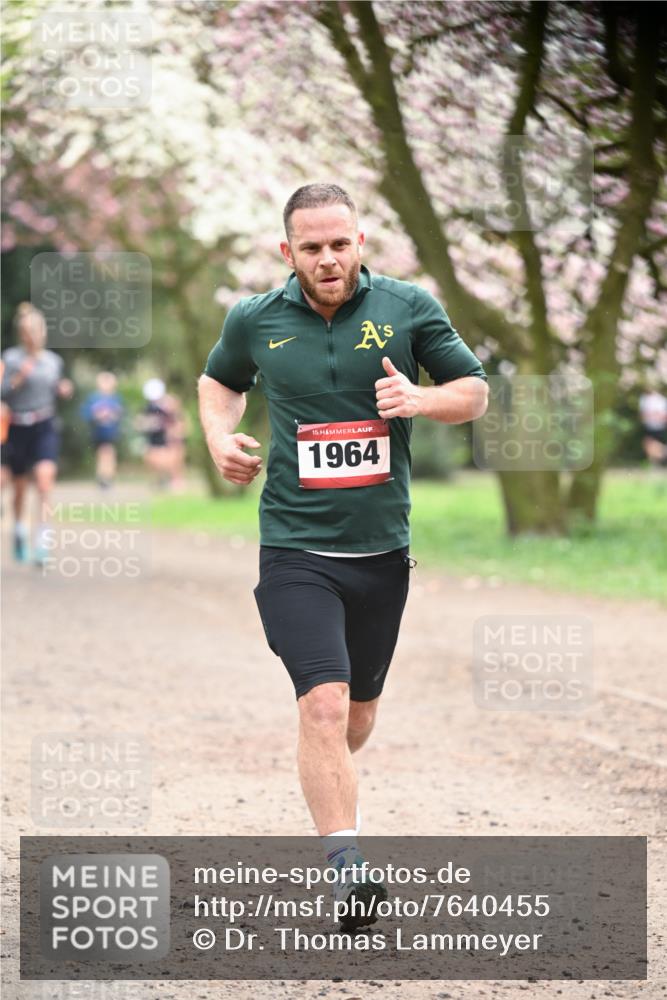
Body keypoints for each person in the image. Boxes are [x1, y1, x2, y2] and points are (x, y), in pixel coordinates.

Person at [198, 183, 488, 928]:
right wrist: (217, 439)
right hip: (294, 546)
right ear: (285, 252)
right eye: (311, 247)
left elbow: (473, 391)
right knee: (322, 706)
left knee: (354, 715)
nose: (327, 259)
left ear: (359, 243)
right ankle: (348, 871)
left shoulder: (408, 308)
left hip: (381, 551)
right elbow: (217, 383)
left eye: (339, 243)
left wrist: (422, 402)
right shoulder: (255, 320)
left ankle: (324, 772)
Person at [1, 302, 73, 564]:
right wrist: (17, 379)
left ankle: (43, 542)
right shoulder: (10, 358)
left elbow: (56, 387)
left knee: (44, 481)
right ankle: (19, 530)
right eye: (29, 330)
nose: (33, 334)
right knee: (19, 488)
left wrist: (64, 389)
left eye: (38, 330)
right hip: (19, 426)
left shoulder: (54, 361)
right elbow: (3, 393)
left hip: (44, 424)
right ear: (22, 333)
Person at [80, 371, 124, 488]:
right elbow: (86, 414)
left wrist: (113, 414)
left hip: (111, 432)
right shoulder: (93, 398)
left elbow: (120, 414)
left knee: (108, 452)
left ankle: (106, 477)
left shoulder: (116, 398)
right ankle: (104, 476)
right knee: (103, 453)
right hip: (98, 432)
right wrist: (96, 415)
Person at [638, 387, 667, 467]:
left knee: (652, 445)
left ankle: (658, 460)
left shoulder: (661, 400)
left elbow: (663, 416)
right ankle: (654, 463)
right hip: (648, 426)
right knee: (648, 445)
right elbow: (642, 414)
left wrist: (653, 416)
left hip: (658, 426)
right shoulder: (644, 399)